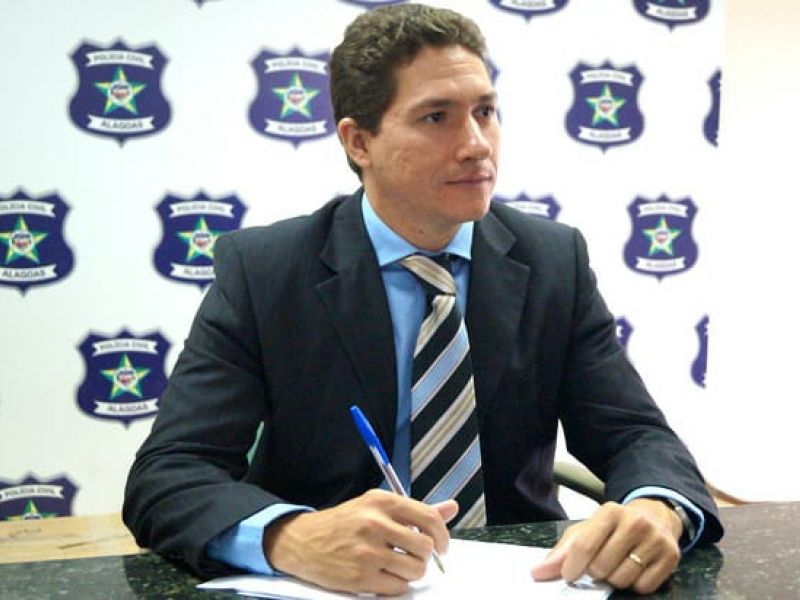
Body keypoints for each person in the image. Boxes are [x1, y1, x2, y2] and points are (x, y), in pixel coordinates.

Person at [123, 3, 722, 596]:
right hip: (337, 588)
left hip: (518, 583)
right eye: (437, 117)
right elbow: (169, 473)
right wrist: (290, 537)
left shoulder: (553, 261)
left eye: (485, 112)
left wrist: (656, 507)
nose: (476, 145)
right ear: (359, 142)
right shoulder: (266, 271)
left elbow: (636, 435)